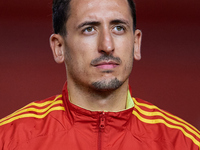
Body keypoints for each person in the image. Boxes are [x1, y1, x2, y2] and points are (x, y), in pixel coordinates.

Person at [0, 0, 199, 149]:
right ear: (58, 47)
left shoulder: (183, 143)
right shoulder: (9, 139)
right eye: (89, 29)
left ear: (136, 43)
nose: (107, 46)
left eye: (118, 28)